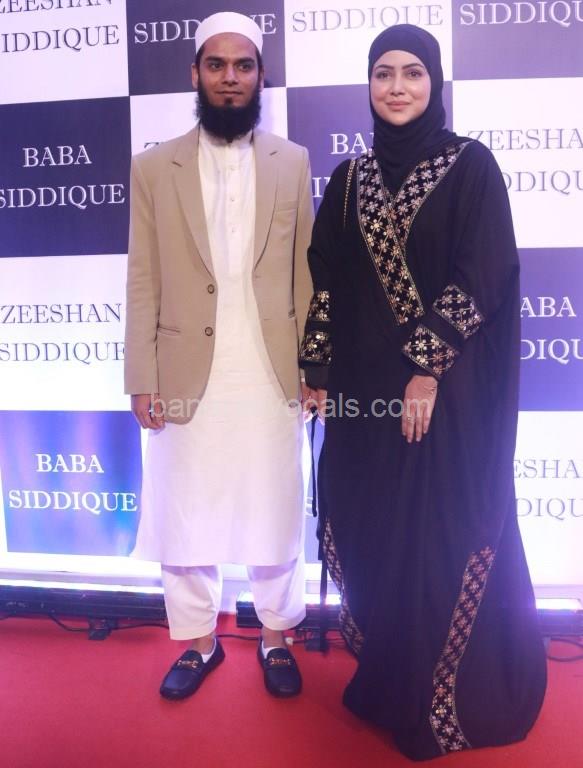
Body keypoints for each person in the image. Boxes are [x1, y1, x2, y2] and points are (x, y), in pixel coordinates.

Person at [300, 24, 547, 761]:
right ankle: (388, 681)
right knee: (373, 529)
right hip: (364, 401)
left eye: (412, 72)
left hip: (444, 400)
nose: (397, 86)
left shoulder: (471, 166)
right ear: (369, 85)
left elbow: (484, 273)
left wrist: (425, 369)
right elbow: (326, 283)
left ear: (434, 82)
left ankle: (443, 698)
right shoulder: (348, 180)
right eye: (384, 73)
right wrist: (316, 373)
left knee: (439, 538)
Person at [124, 11, 315, 701]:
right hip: (183, 371)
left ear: (261, 76)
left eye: (243, 66)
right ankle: (198, 643)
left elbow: (306, 274)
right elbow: (142, 276)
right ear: (195, 74)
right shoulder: (153, 167)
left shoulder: (292, 161)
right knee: (185, 512)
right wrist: (141, 376)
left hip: (271, 368)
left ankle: (276, 636)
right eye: (216, 65)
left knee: (275, 508)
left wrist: (315, 370)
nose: (229, 78)